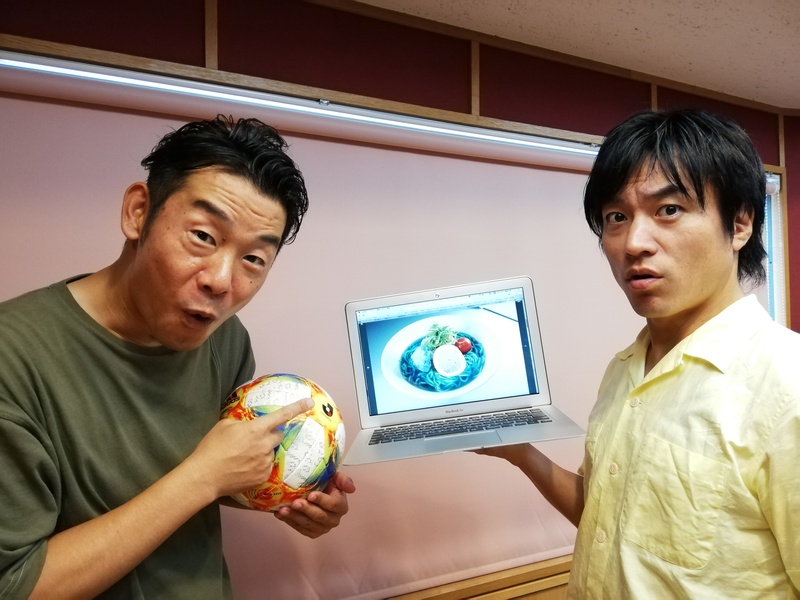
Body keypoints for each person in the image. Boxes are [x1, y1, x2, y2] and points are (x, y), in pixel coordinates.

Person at [0, 115, 356, 599]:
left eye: (253, 259)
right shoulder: (14, 359)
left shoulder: (226, 341)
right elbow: (15, 585)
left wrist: (284, 491)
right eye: (204, 237)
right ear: (138, 213)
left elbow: (212, 474)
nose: (221, 281)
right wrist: (204, 477)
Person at [476, 109, 800, 597]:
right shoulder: (624, 369)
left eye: (668, 210)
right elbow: (604, 518)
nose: (634, 243)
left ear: (739, 224)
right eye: (617, 218)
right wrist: (521, 453)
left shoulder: (786, 385)